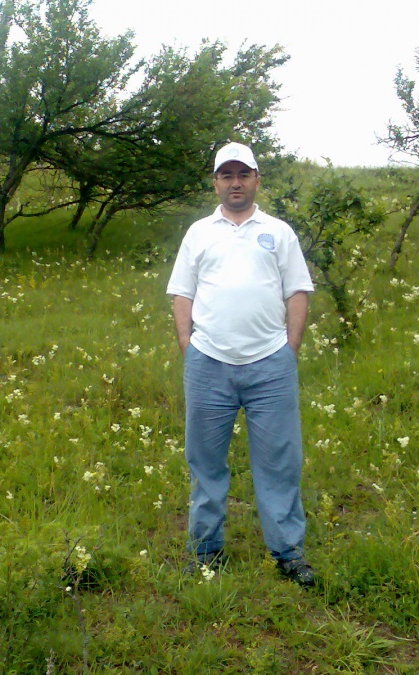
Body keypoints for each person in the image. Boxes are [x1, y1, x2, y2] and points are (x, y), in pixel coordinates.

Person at [166, 141, 315, 586]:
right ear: (215, 182)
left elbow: (298, 292)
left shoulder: (279, 232)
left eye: (243, 174)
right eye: (226, 175)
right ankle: (206, 551)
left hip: (270, 365)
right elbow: (181, 293)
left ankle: (288, 553)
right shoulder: (198, 233)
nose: (235, 183)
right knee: (205, 462)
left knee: (279, 463)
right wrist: (187, 345)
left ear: (256, 180)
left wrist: (289, 348)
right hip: (208, 363)